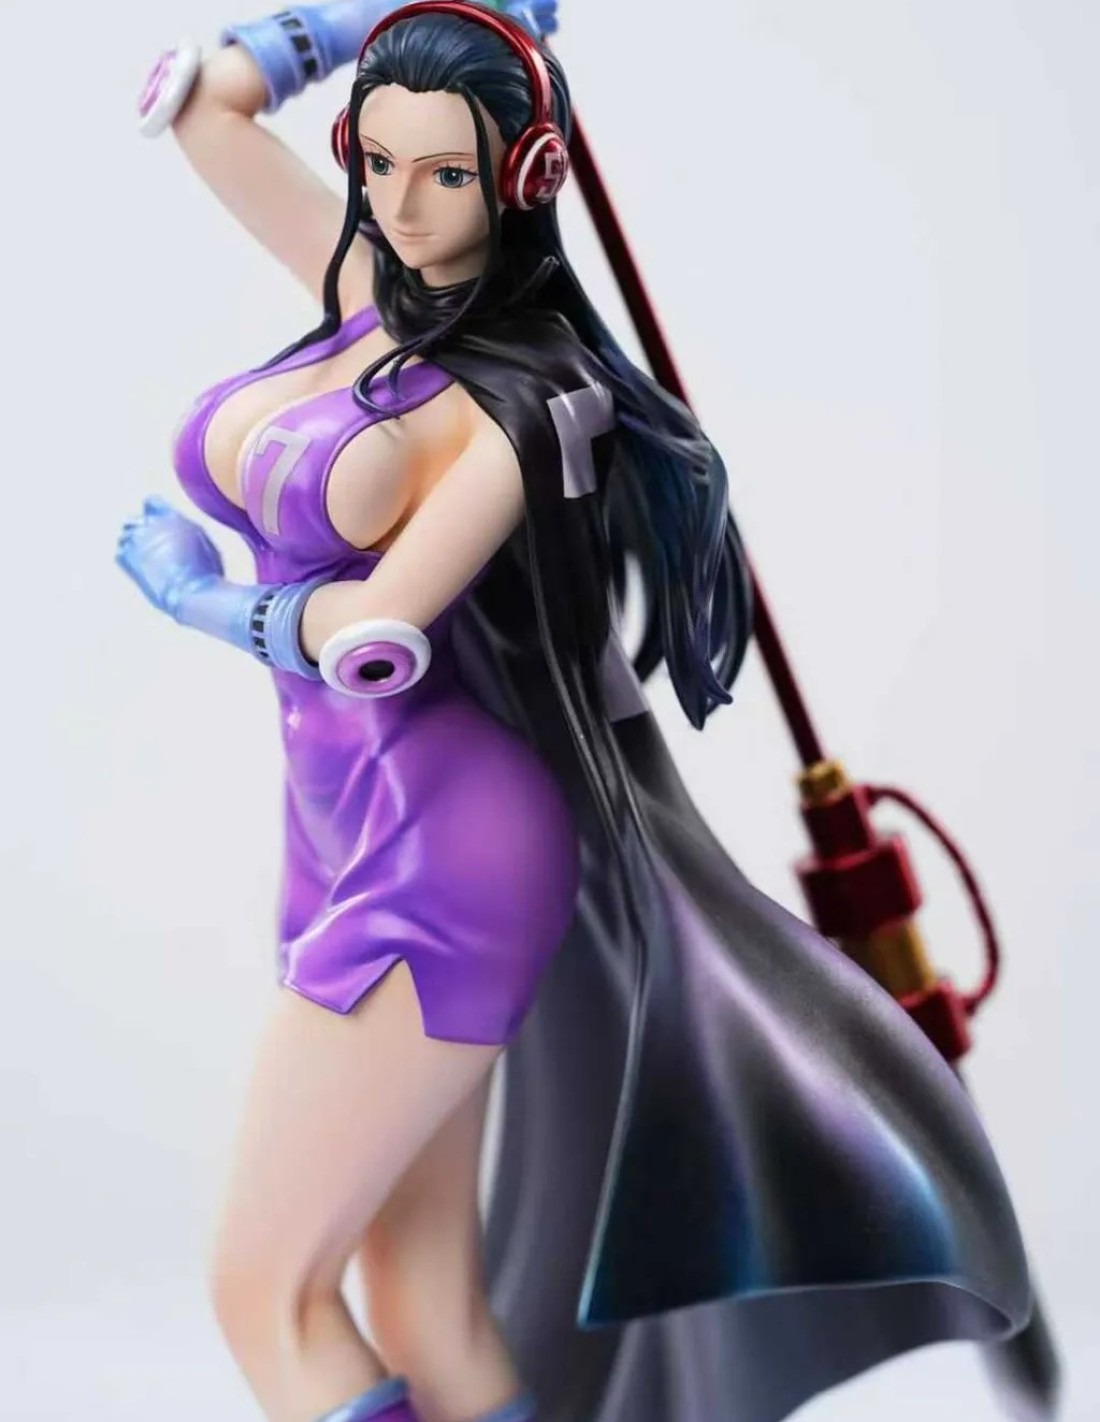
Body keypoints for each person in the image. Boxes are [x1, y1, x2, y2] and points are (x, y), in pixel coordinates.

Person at [117, 5, 1033, 1422]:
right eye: (379, 163)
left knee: (266, 1292)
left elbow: (372, 636)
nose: (404, 207)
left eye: (447, 175)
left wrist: (195, 595)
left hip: (441, 848)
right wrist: (373, 20)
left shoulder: (528, 399)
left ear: (527, 173)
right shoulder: (369, 286)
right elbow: (201, 105)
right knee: (418, 1294)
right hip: (338, 824)